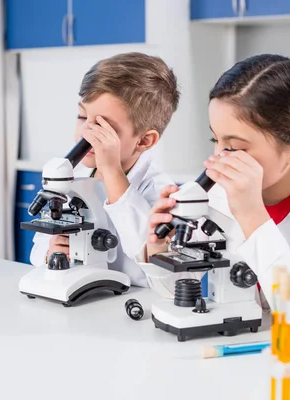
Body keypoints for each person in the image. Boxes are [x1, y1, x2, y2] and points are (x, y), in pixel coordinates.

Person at [143, 54, 290, 308]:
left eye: (235, 148)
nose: (219, 158)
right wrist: (160, 248)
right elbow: (174, 292)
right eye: (216, 141)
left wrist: (251, 215)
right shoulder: (218, 193)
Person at [30, 52, 180, 288]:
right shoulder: (74, 176)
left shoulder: (160, 193)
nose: (86, 134)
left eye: (104, 127)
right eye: (82, 116)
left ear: (144, 141)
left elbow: (153, 264)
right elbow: (39, 247)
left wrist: (111, 171)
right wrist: (52, 254)